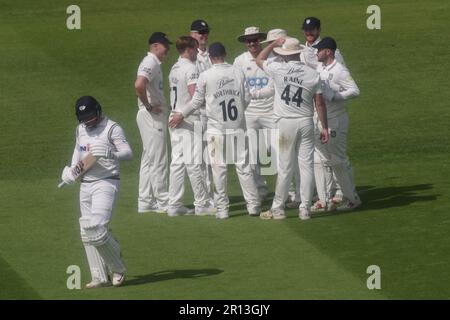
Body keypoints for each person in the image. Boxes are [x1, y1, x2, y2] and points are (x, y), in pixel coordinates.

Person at [169, 42, 261, 219]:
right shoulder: (238, 71)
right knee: (244, 167)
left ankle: (222, 209)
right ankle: (253, 206)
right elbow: (247, 97)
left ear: (210, 57)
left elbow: (196, 102)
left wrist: (181, 114)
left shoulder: (205, 75)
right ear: (225, 53)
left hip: (216, 129)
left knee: (219, 169)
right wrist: (239, 113)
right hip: (238, 127)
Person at [60, 96, 133, 288]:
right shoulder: (80, 129)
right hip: (85, 183)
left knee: (97, 228)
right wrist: (70, 171)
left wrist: (111, 153)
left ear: (99, 111)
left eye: (91, 116)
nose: (88, 120)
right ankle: (100, 276)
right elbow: (79, 151)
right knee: (87, 231)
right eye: (84, 118)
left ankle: (118, 267)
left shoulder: (112, 128)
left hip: (106, 182)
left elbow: (128, 153)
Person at [255, 37, 329, 220]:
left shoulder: (278, 69)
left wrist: (272, 45)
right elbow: (319, 103)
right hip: (305, 121)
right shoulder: (312, 73)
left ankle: (278, 209)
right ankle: (305, 208)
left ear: (285, 54)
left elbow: (259, 59)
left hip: (285, 123)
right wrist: (325, 127)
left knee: (285, 167)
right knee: (306, 166)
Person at [167, 36, 216, 216]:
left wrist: (179, 114)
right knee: (194, 162)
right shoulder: (191, 69)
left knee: (177, 163)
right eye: (195, 49)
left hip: (174, 117)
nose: (197, 52)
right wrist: (183, 114)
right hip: (187, 119)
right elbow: (196, 98)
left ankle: (174, 205)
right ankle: (202, 204)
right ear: (189, 49)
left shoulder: (174, 67)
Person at [300, 16, 346, 206]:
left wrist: (332, 95)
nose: (309, 33)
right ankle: (324, 195)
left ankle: (342, 192)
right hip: (309, 106)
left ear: (319, 30)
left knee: (334, 153)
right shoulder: (301, 51)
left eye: (312, 30)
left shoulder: (331, 50)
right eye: (306, 30)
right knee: (319, 154)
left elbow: (340, 76)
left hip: (329, 107)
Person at [312, 37, 361, 212]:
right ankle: (323, 200)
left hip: (336, 120)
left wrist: (335, 96)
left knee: (338, 161)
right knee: (320, 160)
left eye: (319, 50)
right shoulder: (320, 67)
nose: (316, 52)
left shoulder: (339, 70)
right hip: (320, 119)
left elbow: (355, 90)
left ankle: (352, 198)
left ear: (328, 52)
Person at [233, 26, 275, 200]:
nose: (252, 43)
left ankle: (290, 191)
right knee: (252, 154)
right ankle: (260, 190)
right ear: (245, 42)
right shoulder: (239, 61)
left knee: (279, 151)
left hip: (271, 111)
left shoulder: (271, 59)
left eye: (255, 40)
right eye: (249, 40)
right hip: (249, 113)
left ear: (260, 40)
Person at [135, 32, 172, 214]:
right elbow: (139, 85)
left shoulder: (154, 63)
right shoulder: (150, 62)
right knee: (158, 159)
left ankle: (145, 201)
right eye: (165, 45)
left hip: (149, 116)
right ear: (156, 46)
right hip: (151, 116)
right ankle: (163, 201)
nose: (168, 50)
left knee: (148, 159)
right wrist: (148, 106)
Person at [190, 19, 215, 205]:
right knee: (200, 155)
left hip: (213, 112)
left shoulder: (212, 55)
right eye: (199, 32)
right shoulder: (191, 58)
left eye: (205, 32)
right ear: (192, 34)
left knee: (212, 154)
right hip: (198, 112)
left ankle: (213, 194)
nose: (203, 35)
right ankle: (205, 196)